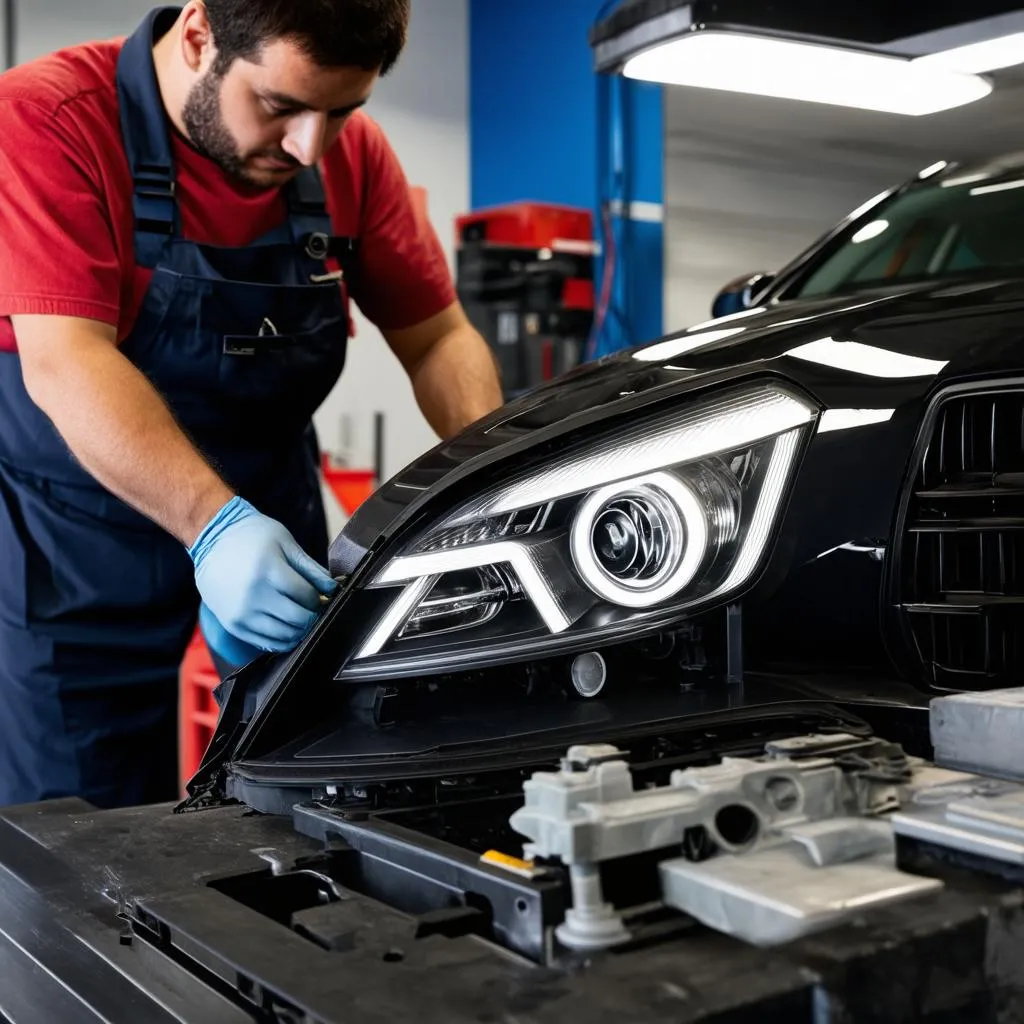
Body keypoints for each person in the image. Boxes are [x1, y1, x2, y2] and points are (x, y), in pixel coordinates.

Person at [0, 1, 503, 810]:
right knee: (81, 831)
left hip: (271, 527)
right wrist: (213, 527)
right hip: (76, 538)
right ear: (199, 36)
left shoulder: (350, 158)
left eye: (342, 112)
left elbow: (439, 336)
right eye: (280, 107)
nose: (311, 146)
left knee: (301, 797)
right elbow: (65, 360)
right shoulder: (52, 120)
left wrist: (495, 485)